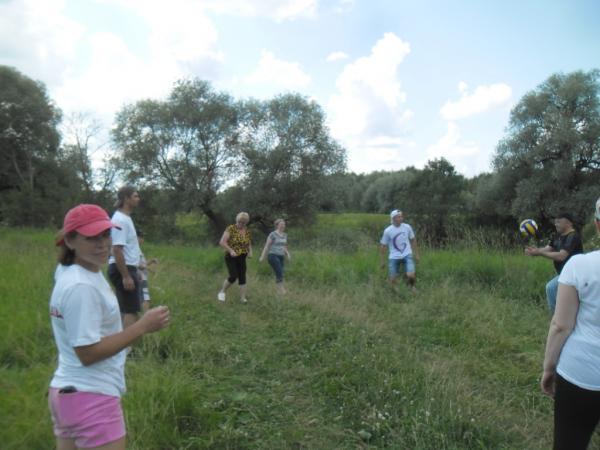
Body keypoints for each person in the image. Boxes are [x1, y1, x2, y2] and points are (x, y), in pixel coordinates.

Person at [48, 204, 170, 450]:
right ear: (70, 241)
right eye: (91, 237)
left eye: (106, 234)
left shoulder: (70, 271)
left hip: (64, 395)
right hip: (92, 398)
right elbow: (87, 353)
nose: (102, 244)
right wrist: (142, 326)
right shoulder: (82, 287)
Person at [541, 197, 600, 450]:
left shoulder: (579, 265)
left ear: (597, 224)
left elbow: (561, 326)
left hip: (581, 375)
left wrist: (549, 369)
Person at [525, 212, 583, 313]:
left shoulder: (573, 236)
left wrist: (540, 253)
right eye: (555, 222)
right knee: (566, 297)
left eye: (559, 222)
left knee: (551, 288)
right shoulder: (557, 236)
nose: (556, 224)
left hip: (575, 273)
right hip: (563, 273)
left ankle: (555, 317)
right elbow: (548, 249)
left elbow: (561, 256)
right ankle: (566, 315)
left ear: (568, 223)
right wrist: (535, 251)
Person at [107, 185, 142, 328]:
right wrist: (126, 276)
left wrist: (136, 269)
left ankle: (119, 339)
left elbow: (127, 249)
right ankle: (129, 342)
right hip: (122, 268)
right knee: (131, 312)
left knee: (124, 310)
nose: (138, 199)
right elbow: (116, 249)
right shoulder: (120, 220)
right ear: (126, 199)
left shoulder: (125, 218)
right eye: (135, 196)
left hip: (127, 267)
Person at [380, 209, 420, 292]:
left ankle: (411, 286)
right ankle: (395, 290)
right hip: (394, 256)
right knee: (393, 279)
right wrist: (382, 261)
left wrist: (417, 254)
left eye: (401, 216)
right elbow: (383, 246)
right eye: (399, 217)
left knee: (411, 275)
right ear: (393, 218)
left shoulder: (407, 227)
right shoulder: (388, 231)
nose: (401, 218)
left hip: (407, 254)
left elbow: (413, 240)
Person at [217, 212, 253, 303]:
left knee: (242, 277)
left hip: (242, 256)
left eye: (243, 223)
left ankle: (243, 298)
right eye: (239, 222)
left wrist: (250, 252)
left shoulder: (247, 231)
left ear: (246, 222)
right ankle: (222, 292)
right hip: (231, 256)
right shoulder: (231, 228)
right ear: (237, 220)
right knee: (233, 276)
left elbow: (248, 243)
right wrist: (231, 250)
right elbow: (222, 242)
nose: (241, 224)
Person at [259, 218, 291, 295]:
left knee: (280, 272)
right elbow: (267, 246)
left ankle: (279, 291)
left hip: (281, 256)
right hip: (273, 255)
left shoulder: (285, 235)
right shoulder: (272, 234)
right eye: (281, 224)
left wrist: (288, 254)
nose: (283, 226)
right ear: (277, 225)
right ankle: (282, 290)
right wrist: (262, 257)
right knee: (279, 271)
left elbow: (284, 246)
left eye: (284, 224)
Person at [137, 230, 158, 314]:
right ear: (136, 238)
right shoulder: (134, 249)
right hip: (140, 278)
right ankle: (146, 316)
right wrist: (150, 270)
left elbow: (143, 263)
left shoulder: (138, 250)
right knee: (145, 298)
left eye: (143, 237)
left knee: (143, 298)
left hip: (143, 277)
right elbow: (137, 265)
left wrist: (151, 261)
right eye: (141, 237)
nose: (143, 239)